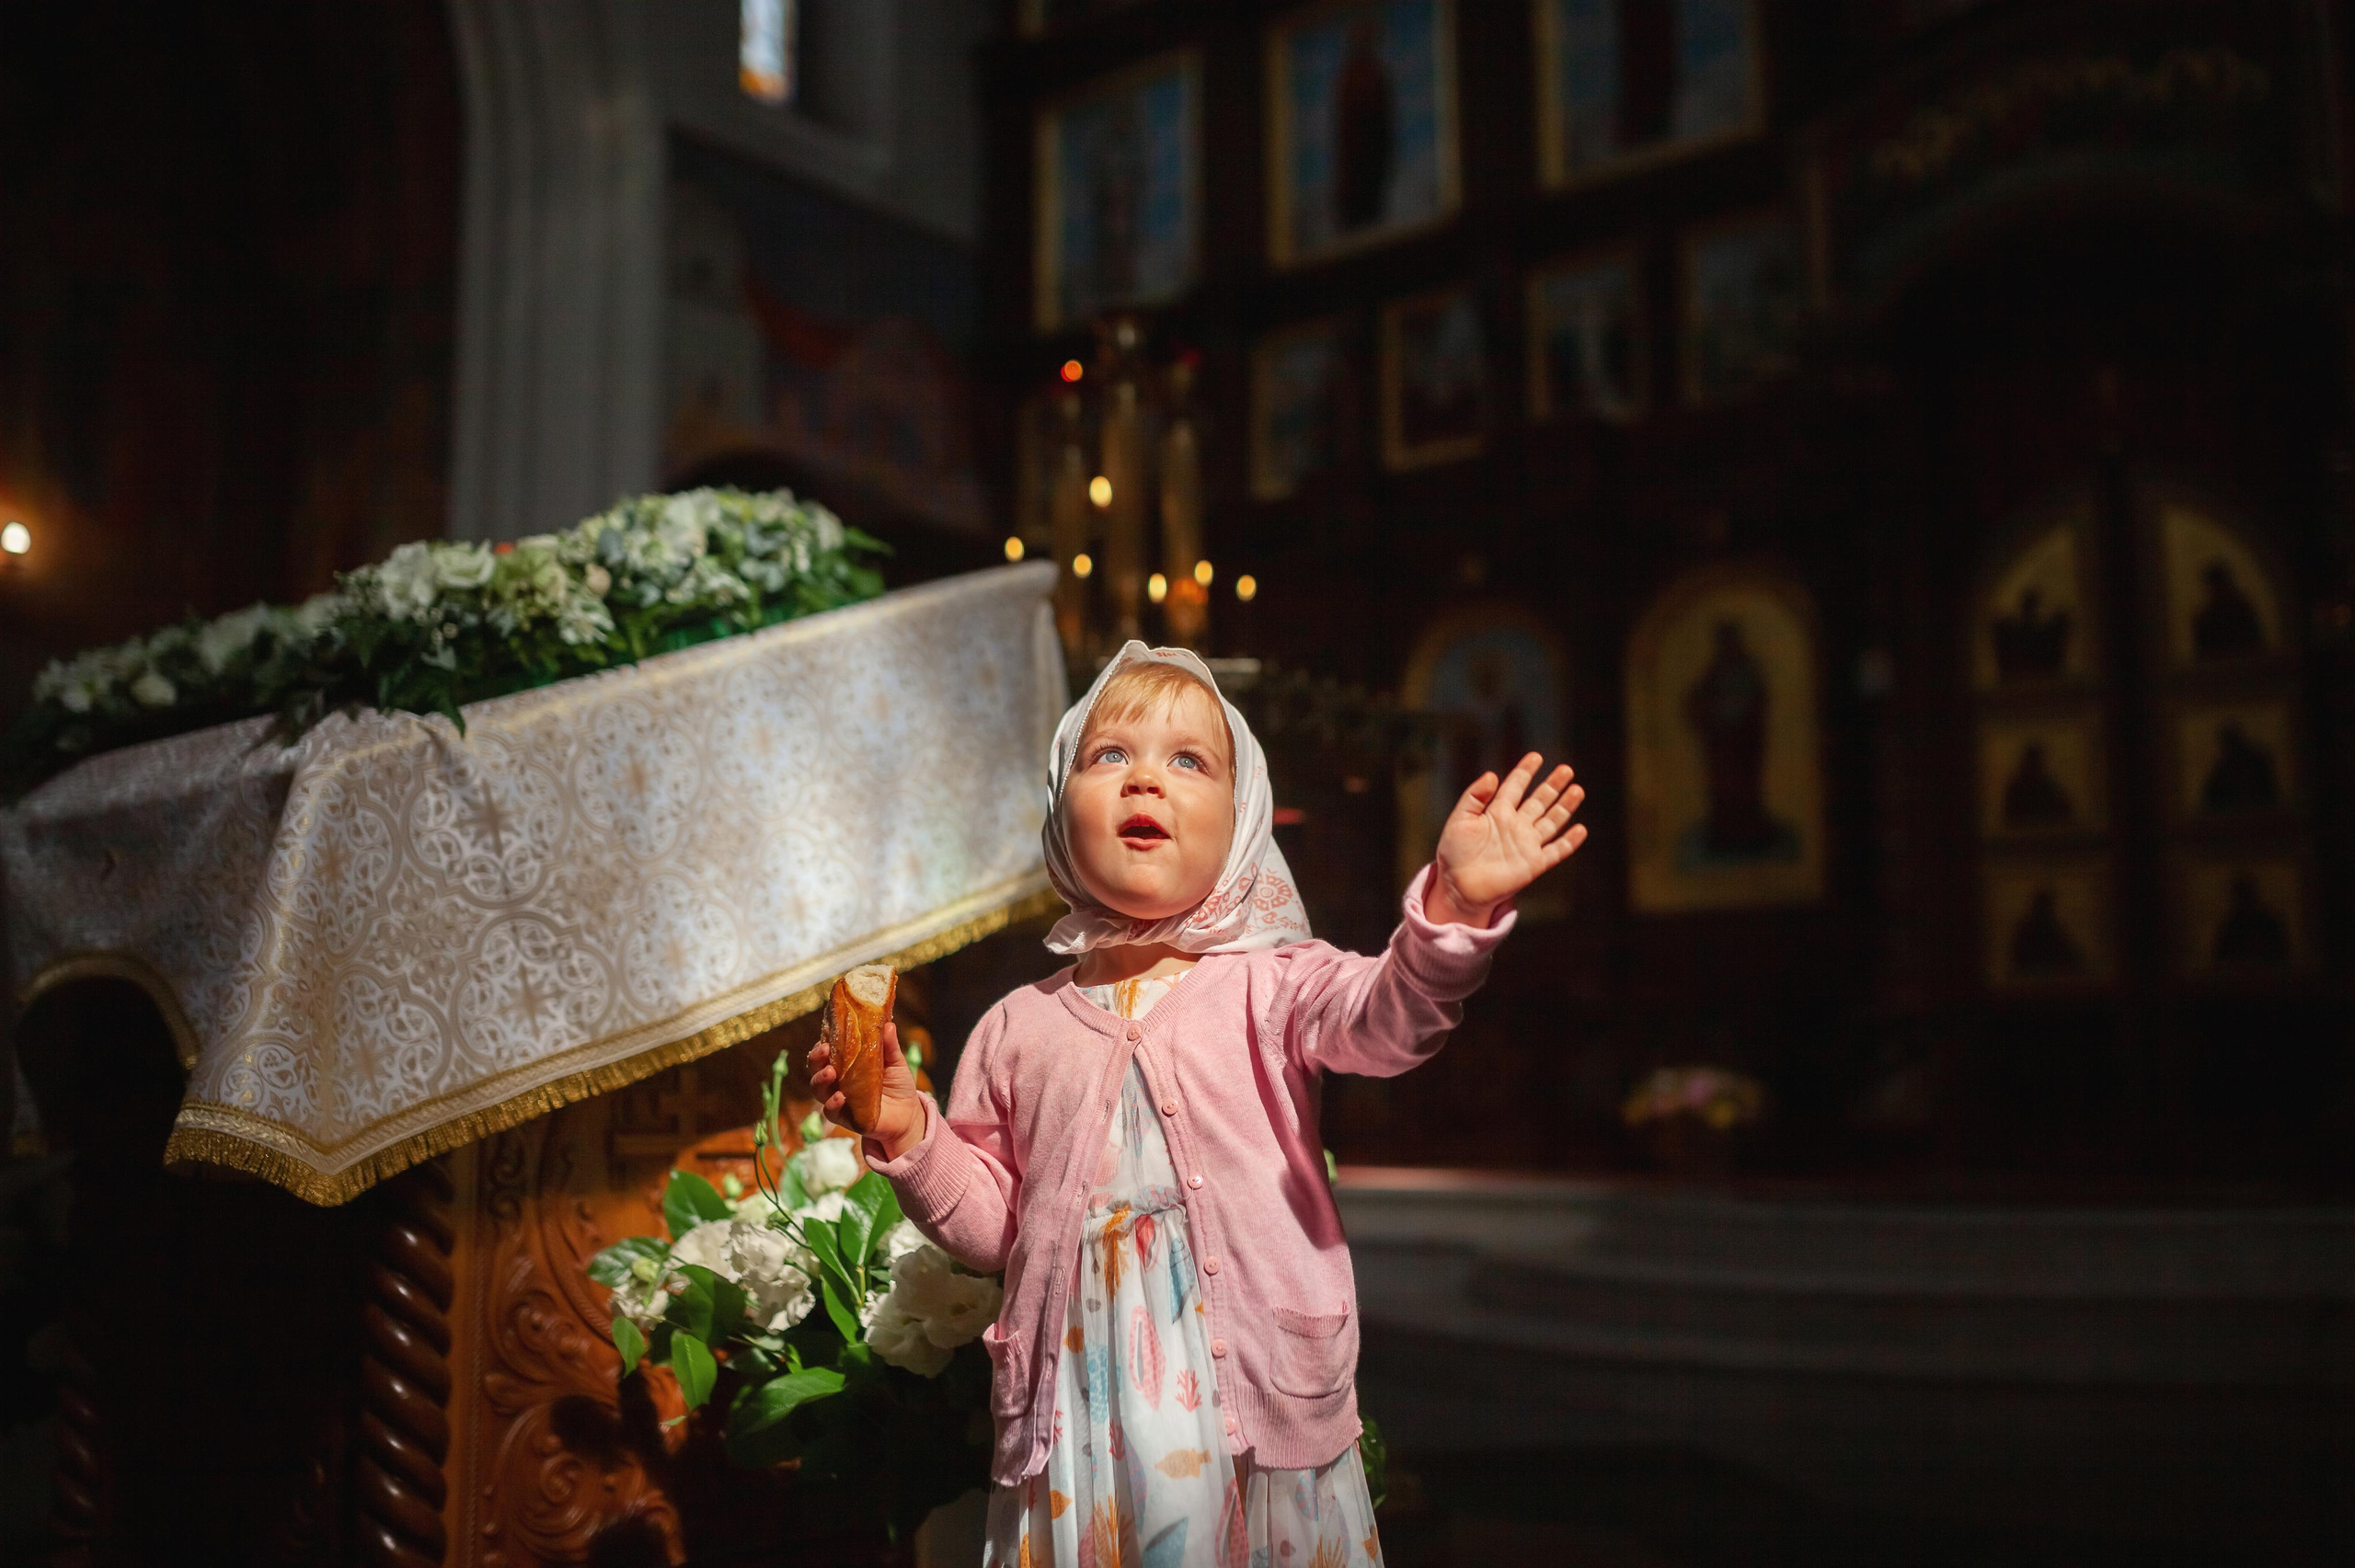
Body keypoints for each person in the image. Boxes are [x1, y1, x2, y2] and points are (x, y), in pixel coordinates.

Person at [807, 643, 1586, 1568]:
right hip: (1080, 1418)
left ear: (1242, 819)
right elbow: (994, 1228)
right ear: (1062, 810)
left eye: (1188, 761)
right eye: (1109, 756)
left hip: (1247, 1416)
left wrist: (1451, 908)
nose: (1146, 778)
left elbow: (1388, 1022)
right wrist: (908, 1129)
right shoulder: (1019, 1025)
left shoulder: (1276, 984)